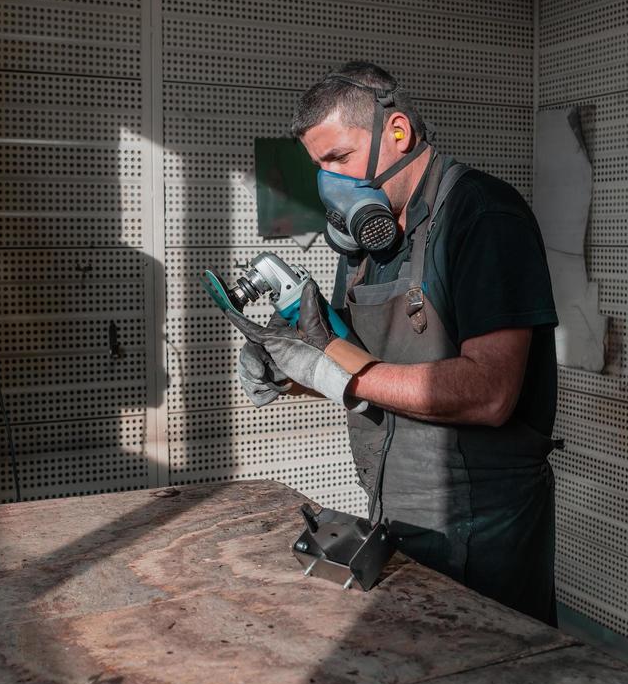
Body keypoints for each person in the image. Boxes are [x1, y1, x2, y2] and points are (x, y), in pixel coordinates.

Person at [228, 61, 561, 624]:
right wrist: (292, 371)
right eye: (318, 167)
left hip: (481, 515)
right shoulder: (367, 246)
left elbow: (490, 392)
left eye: (338, 159)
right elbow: (368, 369)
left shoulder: (482, 216)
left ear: (398, 133)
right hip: (394, 500)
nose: (328, 183)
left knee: (490, 680)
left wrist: (336, 372)